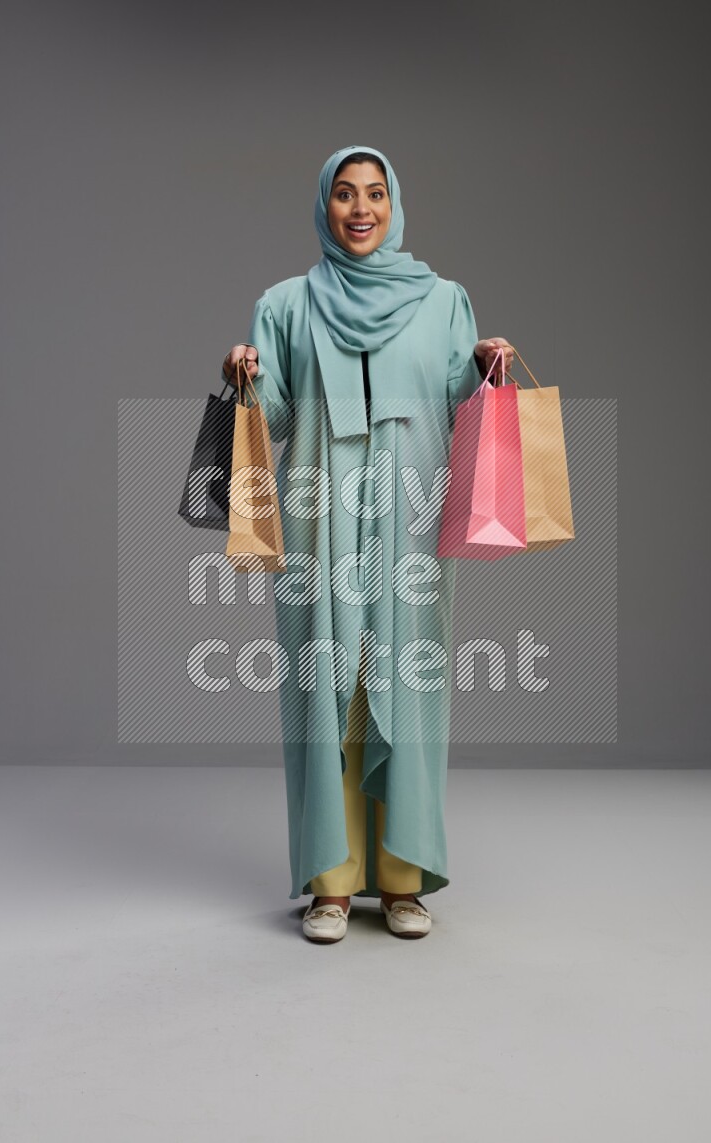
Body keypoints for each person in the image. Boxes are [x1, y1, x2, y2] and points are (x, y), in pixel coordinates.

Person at [223, 145, 514, 943]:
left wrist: (487, 370)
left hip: (410, 518)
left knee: (406, 684)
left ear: (394, 204)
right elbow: (274, 419)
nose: (361, 209)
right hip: (320, 516)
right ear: (324, 205)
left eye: (375, 193)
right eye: (345, 194)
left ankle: (401, 879)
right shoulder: (285, 305)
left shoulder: (445, 302)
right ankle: (330, 883)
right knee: (329, 686)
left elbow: (459, 404)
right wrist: (246, 376)